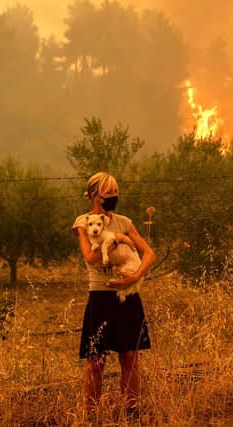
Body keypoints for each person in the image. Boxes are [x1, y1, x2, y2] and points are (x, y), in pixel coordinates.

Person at [72, 172, 156, 417]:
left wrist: (135, 276)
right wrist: (118, 241)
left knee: (130, 357)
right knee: (95, 361)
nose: (112, 199)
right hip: (100, 296)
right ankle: (92, 415)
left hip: (128, 295)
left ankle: (132, 413)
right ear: (93, 196)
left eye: (115, 194)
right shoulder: (84, 222)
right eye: (107, 195)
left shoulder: (124, 222)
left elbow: (149, 254)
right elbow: (89, 256)